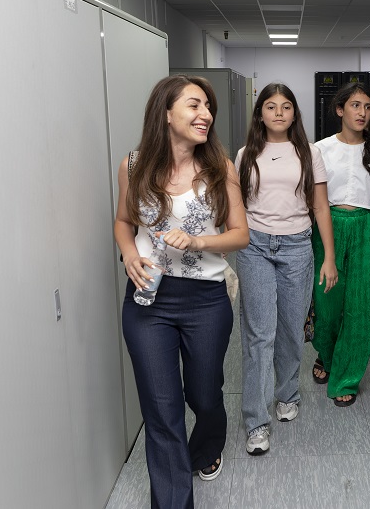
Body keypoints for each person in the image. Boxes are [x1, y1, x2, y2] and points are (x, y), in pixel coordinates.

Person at [114, 75, 249, 508]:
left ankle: (207, 446)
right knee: (162, 410)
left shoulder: (220, 168)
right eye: (194, 105)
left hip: (205, 299)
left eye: (208, 107)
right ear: (166, 113)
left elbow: (241, 234)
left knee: (204, 395)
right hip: (148, 299)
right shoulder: (133, 166)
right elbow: (124, 221)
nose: (205, 114)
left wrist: (197, 241)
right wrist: (128, 254)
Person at [235, 83, 337, 455]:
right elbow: (236, 206)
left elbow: (321, 207)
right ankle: (256, 421)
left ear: (294, 113)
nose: (279, 113)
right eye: (271, 106)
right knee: (260, 335)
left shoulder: (310, 152)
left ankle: (287, 393)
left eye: (286, 106)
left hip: (297, 246)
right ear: (260, 113)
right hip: (255, 247)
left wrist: (329, 257)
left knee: (292, 329)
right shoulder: (245, 154)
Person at [311, 81, 370, 406]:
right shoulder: (319, 149)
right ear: (340, 110)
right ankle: (326, 352)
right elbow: (313, 200)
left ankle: (346, 377)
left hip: (368, 228)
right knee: (327, 304)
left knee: (362, 306)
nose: (362, 112)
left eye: (367, 107)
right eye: (355, 105)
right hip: (329, 227)